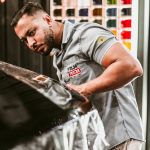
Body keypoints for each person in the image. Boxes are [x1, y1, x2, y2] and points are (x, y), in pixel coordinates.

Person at [10, 2, 144, 150]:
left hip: (120, 138)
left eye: (31, 33)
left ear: (47, 20)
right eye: (24, 40)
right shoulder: (59, 57)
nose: (30, 43)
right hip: (99, 142)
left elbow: (131, 66)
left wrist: (84, 88)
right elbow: (84, 102)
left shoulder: (85, 35)